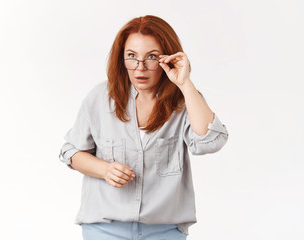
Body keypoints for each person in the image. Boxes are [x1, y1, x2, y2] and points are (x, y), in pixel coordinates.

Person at [59, 15, 229, 240]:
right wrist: (105, 170)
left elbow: (210, 142)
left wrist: (185, 84)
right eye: (131, 57)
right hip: (104, 229)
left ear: (167, 58)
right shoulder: (99, 99)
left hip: (164, 231)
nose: (140, 68)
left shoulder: (184, 101)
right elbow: (70, 152)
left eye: (152, 57)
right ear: (122, 59)